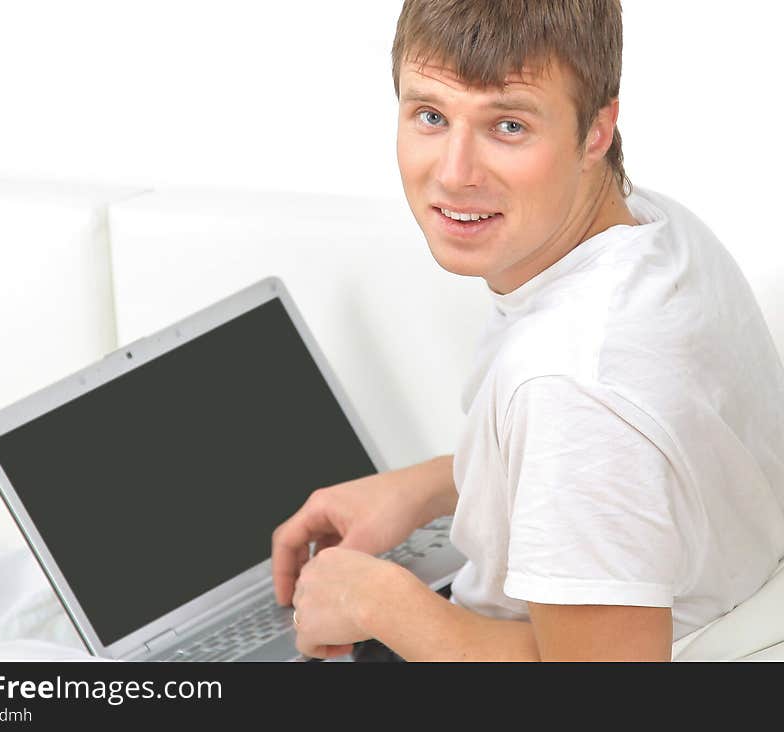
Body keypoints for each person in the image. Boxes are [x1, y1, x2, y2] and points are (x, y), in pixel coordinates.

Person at [270, 0, 784, 662]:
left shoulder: (571, 382)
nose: (454, 173)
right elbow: (640, 470)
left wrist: (377, 603)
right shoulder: (653, 228)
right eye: (431, 115)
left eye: (507, 125)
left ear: (596, 131)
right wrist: (431, 486)